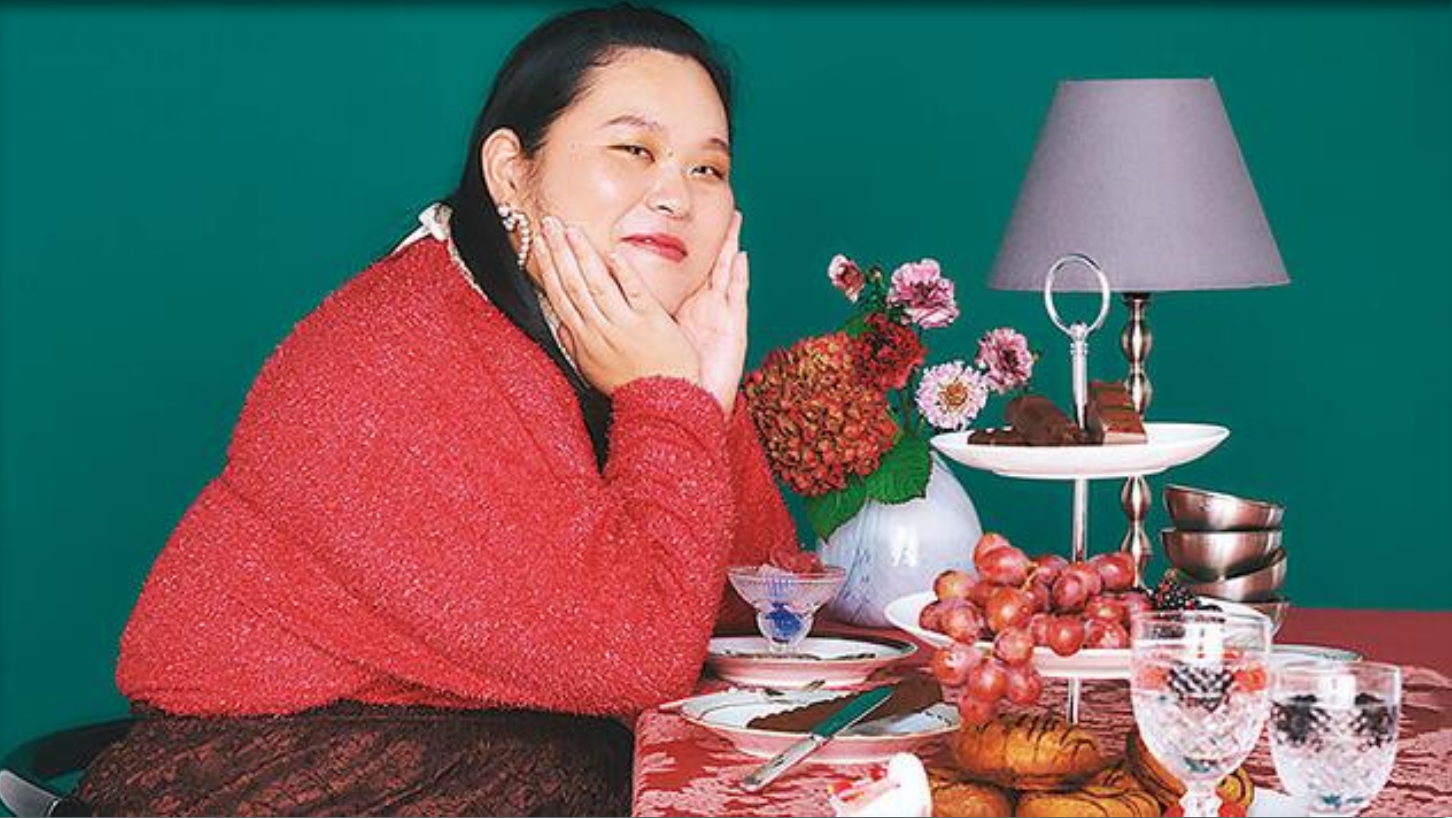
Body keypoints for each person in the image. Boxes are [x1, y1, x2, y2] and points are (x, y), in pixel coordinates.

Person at [75, 5, 804, 815]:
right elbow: (639, 658)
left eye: (708, 169)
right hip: (257, 773)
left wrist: (706, 400)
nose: (675, 196)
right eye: (634, 150)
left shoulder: (624, 350)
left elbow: (757, 611)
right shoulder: (400, 350)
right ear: (510, 172)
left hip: (458, 756)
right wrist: (671, 399)